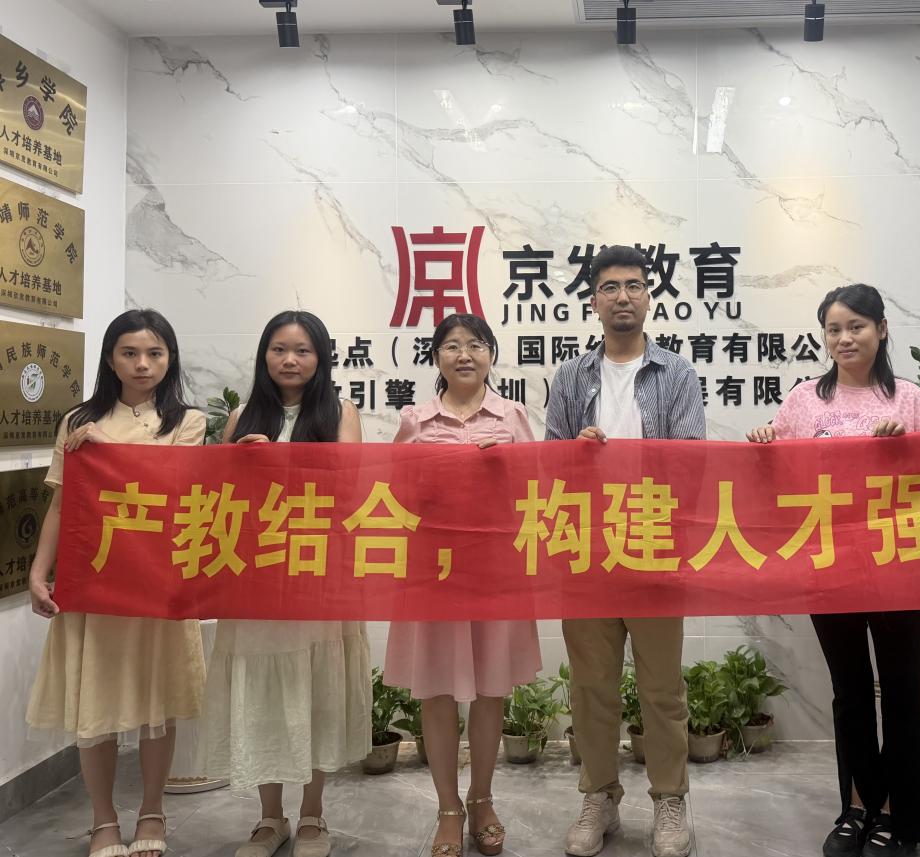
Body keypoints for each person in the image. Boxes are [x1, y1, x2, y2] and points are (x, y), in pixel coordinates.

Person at [747, 284, 920, 857]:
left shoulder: (910, 400)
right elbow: (778, 478)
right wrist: (764, 440)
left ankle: (897, 815)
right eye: (834, 329)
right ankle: (857, 807)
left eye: (856, 326)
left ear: (882, 329)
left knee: (901, 691)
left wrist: (907, 449)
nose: (844, 338)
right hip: (828, 565)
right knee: (849, 691)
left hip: (901, 564)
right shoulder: (804, 400)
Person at [26, 309, 208, 857]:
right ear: (110, 359)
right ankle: (103, 819)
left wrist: (103, 450)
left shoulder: (188, 423)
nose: (142, 364)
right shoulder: (78, 422)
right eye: (129, 353)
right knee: (96, 704)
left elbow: (174, 491)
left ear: (170, 359)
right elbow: (63, 504)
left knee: (159, 702)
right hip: (94, 582)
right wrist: (38, 572)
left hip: (158, 582)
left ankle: (153, 810)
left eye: (154, 353)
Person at [545, 245, 704, 857]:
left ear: (648, 296)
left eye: (633, 285)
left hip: (654, 544)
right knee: (592, 687)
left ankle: (669, 799)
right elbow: (550, 468)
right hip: (586, 548)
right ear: (593, 301)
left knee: (662, 688)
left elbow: (689, 462)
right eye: (609, 287)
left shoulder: (677, 373)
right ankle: (599, 796)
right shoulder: (569, 377)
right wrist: (576, 455)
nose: (622, 297)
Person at [200, 311, 370, 857]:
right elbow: (217, 498)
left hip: (317, 576)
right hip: (256, 578)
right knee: (264, 697)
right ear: (264, 356)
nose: (290, 360)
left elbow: (350, 488)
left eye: (302, 350)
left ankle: (314, 814)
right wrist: (241, 464)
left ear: (321, 358)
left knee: (315, 694)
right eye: (279, 349)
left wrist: (279, 463)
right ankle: (269, 818)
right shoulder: (241, 417)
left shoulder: (340, 413)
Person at [384, 312, 542, 857]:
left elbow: (539, 489)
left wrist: (506, 470)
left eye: (476, 344)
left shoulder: (513, 415)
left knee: (491, 689)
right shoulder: (415, 419)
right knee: (437, 691)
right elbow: (391, 493)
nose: (465, 354)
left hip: (496, 570)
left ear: (491, 355)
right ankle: (448, 807)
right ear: (437, 358)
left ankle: (482, 799)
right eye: (452, 345)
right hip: (433, 572)